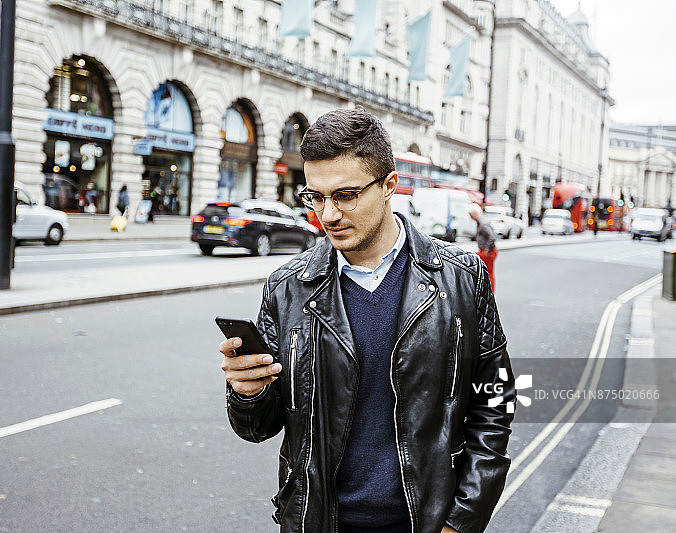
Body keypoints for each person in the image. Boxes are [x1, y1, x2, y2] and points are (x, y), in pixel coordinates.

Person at [219, 108, 515, 533]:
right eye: (315, 197)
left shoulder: (462, 278)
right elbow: (257, 428)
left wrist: (461, 522)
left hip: (426, 523)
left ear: (390, 185)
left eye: (345, 195)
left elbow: (494, 406)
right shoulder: (288, 288)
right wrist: (247, 392)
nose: (329, 215)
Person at [469, 203, 498, 293]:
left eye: (471, 216)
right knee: (487, 272)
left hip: (488, 252)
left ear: (474, 214)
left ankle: (490, 292)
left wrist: (486, 250)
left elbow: (492, 237)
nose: (471, 218)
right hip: (487, 251)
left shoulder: (483, 223)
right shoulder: (482, 222)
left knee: (488, 273)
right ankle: (487, 291)